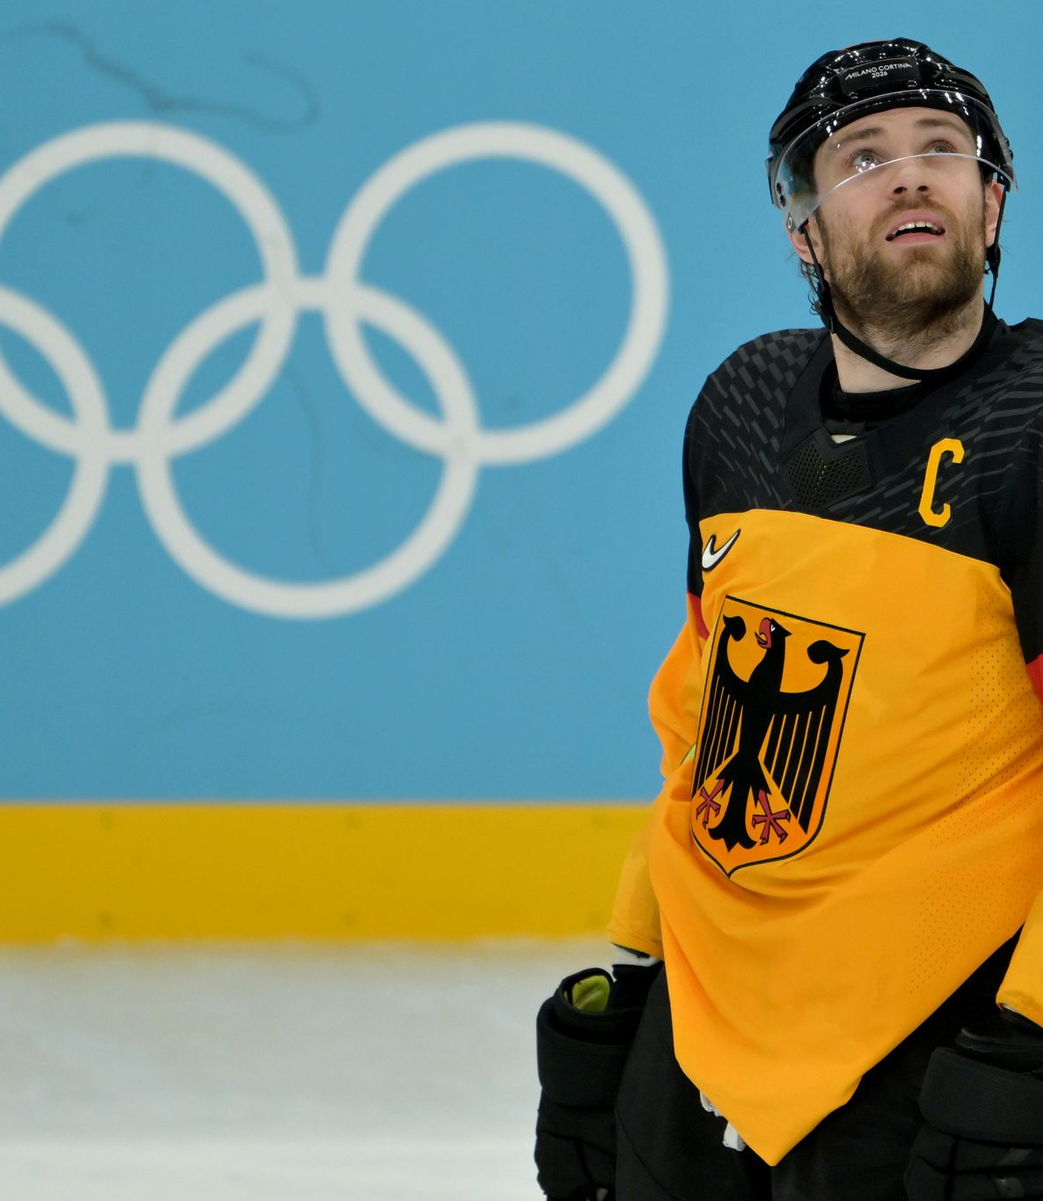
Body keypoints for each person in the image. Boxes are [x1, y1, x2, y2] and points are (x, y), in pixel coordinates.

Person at [535, 38, 1043, 1201]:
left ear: (993, 197)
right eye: (863, 157)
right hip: (708, 1038)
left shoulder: (1034, 424)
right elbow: (706, 720)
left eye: (943, 151)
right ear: (802, 228)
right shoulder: (744, 404)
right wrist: (639, 961)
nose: (911, 176)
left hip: (934, 1037)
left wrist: (1031, 1033)